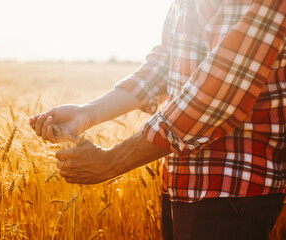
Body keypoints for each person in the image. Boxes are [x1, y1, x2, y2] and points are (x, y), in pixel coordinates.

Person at [29, 0, 286, 239]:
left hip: (232, 187)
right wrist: (86, 113)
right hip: (181, 180)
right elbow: (168, 59)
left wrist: (111, 161)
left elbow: (219, 90)